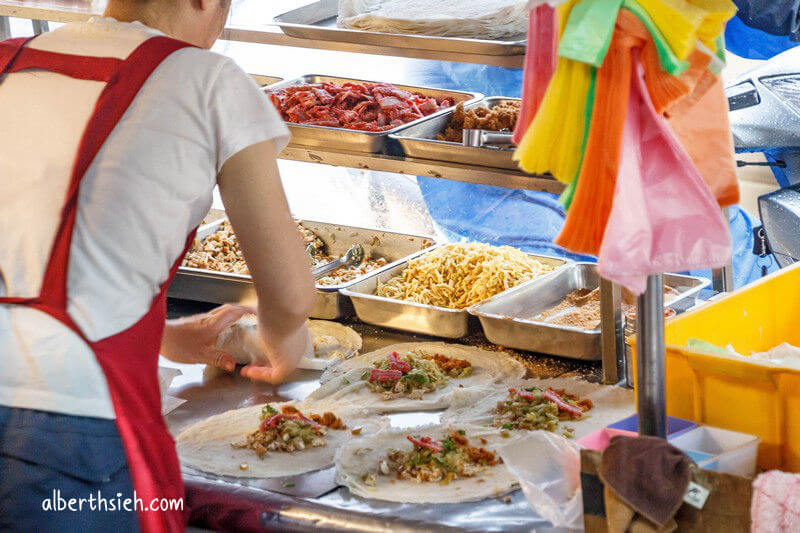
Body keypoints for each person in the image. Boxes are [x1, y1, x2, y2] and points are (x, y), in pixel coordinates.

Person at [0, 0, 315, 530]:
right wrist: (283, 342)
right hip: (66, 431)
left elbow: (36, 251)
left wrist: (165, 336)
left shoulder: (10, 61)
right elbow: (290, 294)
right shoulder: (208, 79)